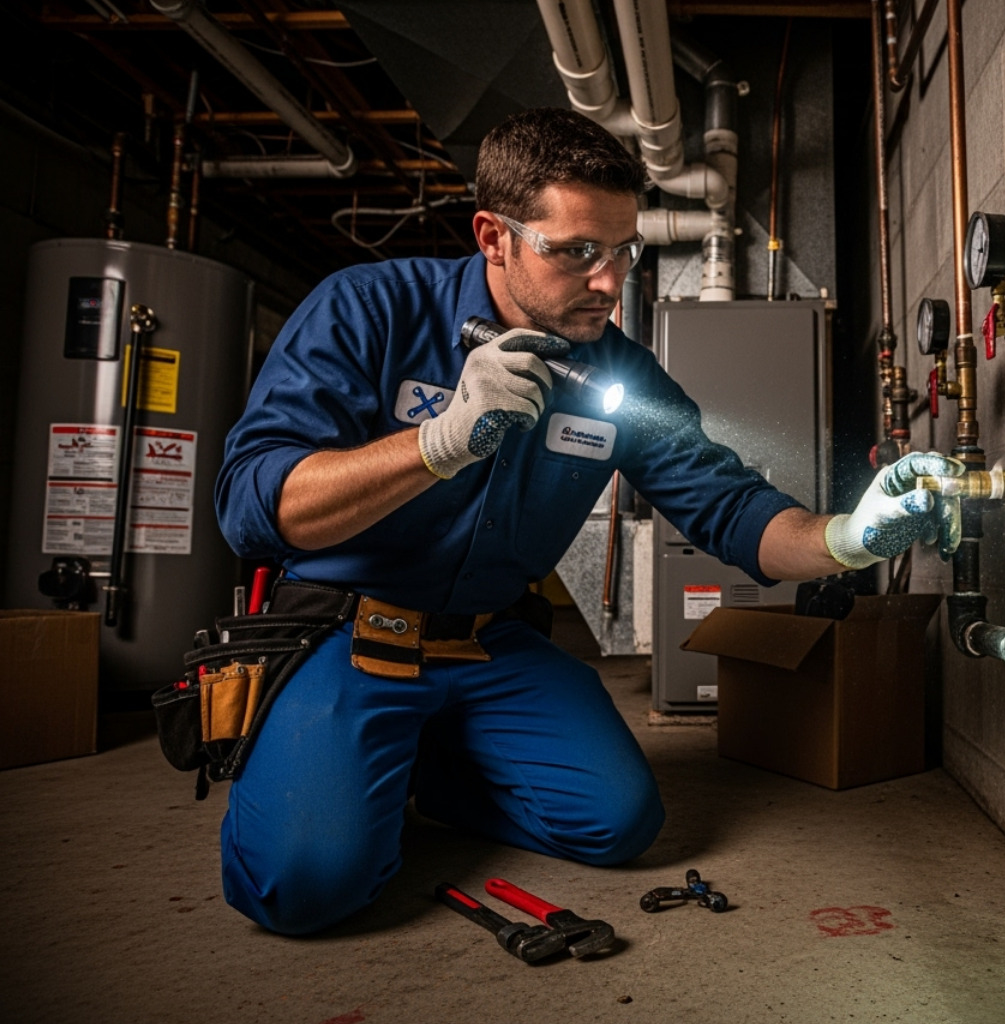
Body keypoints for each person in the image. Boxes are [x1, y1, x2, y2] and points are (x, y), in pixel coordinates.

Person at [214, 106, 962, 935]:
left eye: (623, 251)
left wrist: (848, 538)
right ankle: (355, 771)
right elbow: (253, 508)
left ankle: (424, 767)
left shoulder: (618, 375)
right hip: (350, 637)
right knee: (307, 887)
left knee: (617, 823)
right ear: (494, 238)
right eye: (576, 252)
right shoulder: (368, 309)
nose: (609, 282)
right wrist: (436, 445)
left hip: (489, 643)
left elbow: (727, 506)